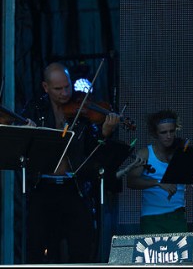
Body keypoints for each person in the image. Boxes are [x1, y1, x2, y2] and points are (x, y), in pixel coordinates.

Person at [22, 62, 120, 263]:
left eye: (67, 86)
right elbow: (23, 146)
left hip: (75, 187)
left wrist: (105, 132)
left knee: (82, 246)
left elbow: (93, 150)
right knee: (39, 247)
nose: (65, 93)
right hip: (43, 188)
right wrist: (27, 131)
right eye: (58, 88)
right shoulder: (35, 108)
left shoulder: (83, 112)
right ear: (45, 87)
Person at [126, 108, 188, 234]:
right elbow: (131, 181)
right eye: (163, 133)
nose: (169, 136)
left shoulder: (182, 152)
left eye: (172, 131)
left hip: (177, 215)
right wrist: (158, 182)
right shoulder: (145, 154)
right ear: (155, 134)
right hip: (152, 217)